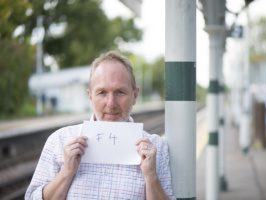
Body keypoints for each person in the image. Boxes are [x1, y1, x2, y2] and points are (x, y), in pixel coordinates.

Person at [25, 51, 175, 199]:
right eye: (102, 92)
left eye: (120, 92)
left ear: (134, 96)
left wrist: (151, 177)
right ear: (90, 96)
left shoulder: (156, 148)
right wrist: (66, 172)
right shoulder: (59, 140)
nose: (111, 103)